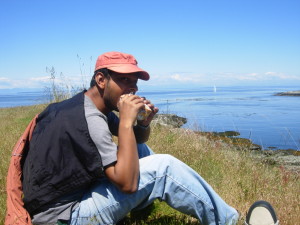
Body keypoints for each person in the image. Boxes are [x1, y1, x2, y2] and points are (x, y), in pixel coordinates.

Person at [21, 51, 279, 225]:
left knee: (142, 151)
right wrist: (124, 119)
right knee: (163, 167)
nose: (132, 88)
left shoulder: (86, 104)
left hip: (55, 200)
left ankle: (143, 206)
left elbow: (137, 139)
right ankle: (229, 221)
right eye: (124, 80)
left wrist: (142, 122)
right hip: (65, 217)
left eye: (134, 82)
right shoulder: (90, 120)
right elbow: (127, 184)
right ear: (101, 79)